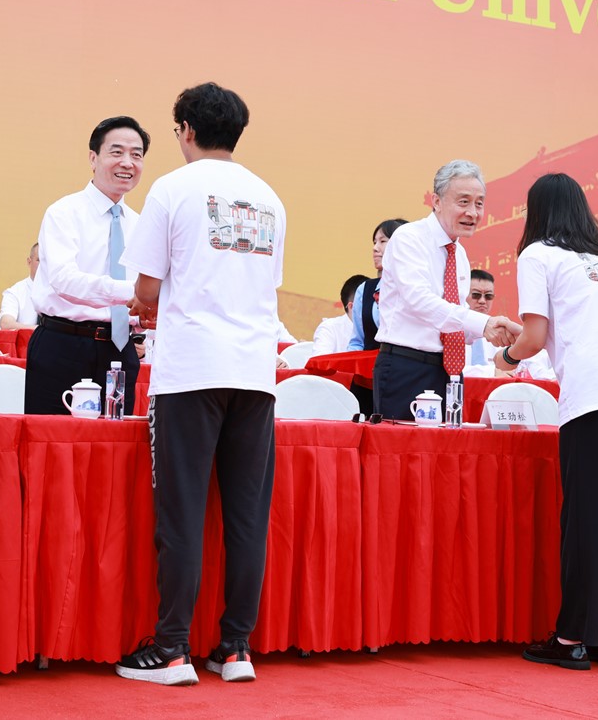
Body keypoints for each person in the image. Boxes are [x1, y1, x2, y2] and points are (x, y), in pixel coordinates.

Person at [116, 82, 286, 686]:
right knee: (246, 516)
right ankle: (236, 649)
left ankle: (171, 649)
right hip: (255, 373)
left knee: (182, 511)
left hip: (191, 370)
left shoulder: (172, 188)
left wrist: (145, 301)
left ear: (186, 130)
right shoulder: (270, 198)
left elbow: (146, 288)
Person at [493, 173, 598, 671]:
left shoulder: (538, 254)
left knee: (588, 517)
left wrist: (506, 356)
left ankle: (571, 637)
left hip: (596, 394)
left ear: (536, 211)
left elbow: (534, 337)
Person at [371, 161, 519, 419]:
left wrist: (496, 331)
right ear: (437, 201)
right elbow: (420, 301)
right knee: (402, 445)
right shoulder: (409, 238)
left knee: (448, 445)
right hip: (407, 368)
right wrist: (484, 324)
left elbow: (455, 321)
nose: (473, 212)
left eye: (479, 203)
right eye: (464, 202)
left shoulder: (459, 254)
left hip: (450, 373)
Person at [25, 116, 149, 416]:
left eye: (136, 155)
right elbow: (64, 280)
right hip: (64, 345)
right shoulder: (64, 212)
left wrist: (148, 310)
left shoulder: (142, 225)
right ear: (93, 158)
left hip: (120, 349)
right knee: (52, 439)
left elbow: (146, 293)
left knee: (115, 440)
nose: (127, 162)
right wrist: (134, 292)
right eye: (117, 152)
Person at [462, 268, 556, 380]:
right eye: (476, 295)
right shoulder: (452, 327)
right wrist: (491, 372)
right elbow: (451, 369)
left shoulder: (501, 329)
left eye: (488, 296)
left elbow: (531, 362)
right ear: (464, 295)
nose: (482, 301)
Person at [346, 219, 408, 351]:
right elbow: (357, 343)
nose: (375, 248)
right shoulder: (364, 290)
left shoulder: (419, 287)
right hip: (371, 363)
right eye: (374, 242)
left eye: (382, 241)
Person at [311, 273, 367, 356]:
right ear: (352, 307)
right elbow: (321, 361)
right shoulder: (330, 328)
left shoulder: (379, 330)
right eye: (371, 303)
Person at [0, 243, 39, 330]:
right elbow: (6, 324)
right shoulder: (16, 292)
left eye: (48, 261)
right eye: (39, 260)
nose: (45, 265)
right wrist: (40, 331)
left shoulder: (60, 291)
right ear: (29, 262)